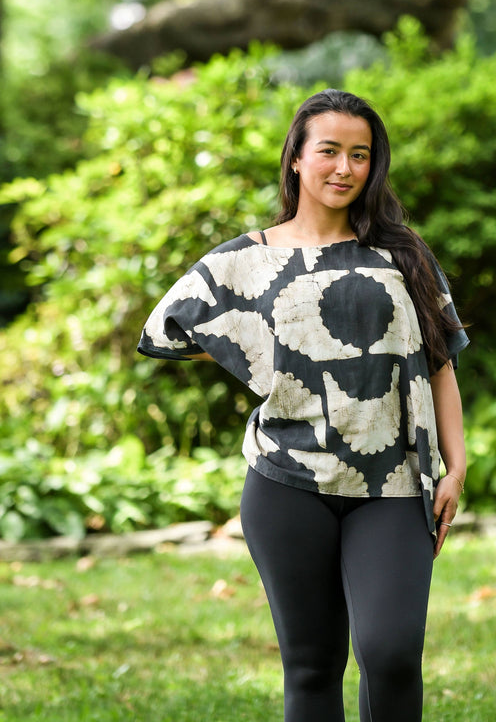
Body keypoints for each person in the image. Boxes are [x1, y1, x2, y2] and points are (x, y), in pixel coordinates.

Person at [138, 88, 469, 722]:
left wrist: (455, 467)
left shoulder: (402, 254)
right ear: (296, 158)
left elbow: (441, 359)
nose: (345, 168)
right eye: (329, 151)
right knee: (313, 665)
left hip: (395, 483)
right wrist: (261, 352)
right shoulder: (247, 260)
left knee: (392, 654)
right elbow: (169, 327)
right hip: (286, 483)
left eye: (361, 155)